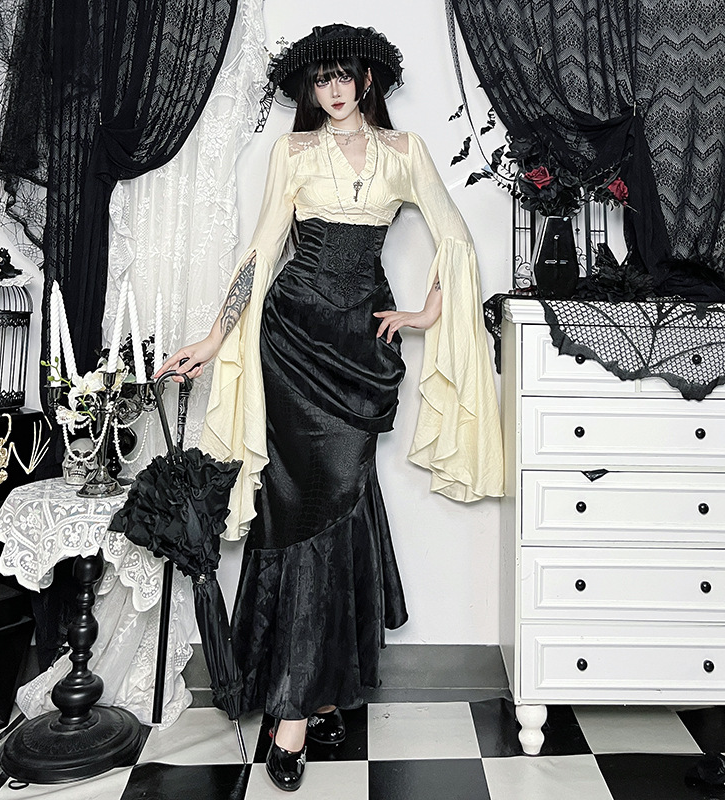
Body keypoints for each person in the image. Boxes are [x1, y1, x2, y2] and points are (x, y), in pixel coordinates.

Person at [158, 23, 503, 792]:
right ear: (309, 89)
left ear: (367, 80)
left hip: (356, 351)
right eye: (322, 79)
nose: (335, 90)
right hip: (289, 343)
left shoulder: (404, 151)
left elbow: (453, 236)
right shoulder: (292, 153)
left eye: (345, 76)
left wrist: (425, 313)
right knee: (295, 512)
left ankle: (319, 687)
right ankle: (295, 708)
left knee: (338, 504)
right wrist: (214, 338)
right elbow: (260, 253)